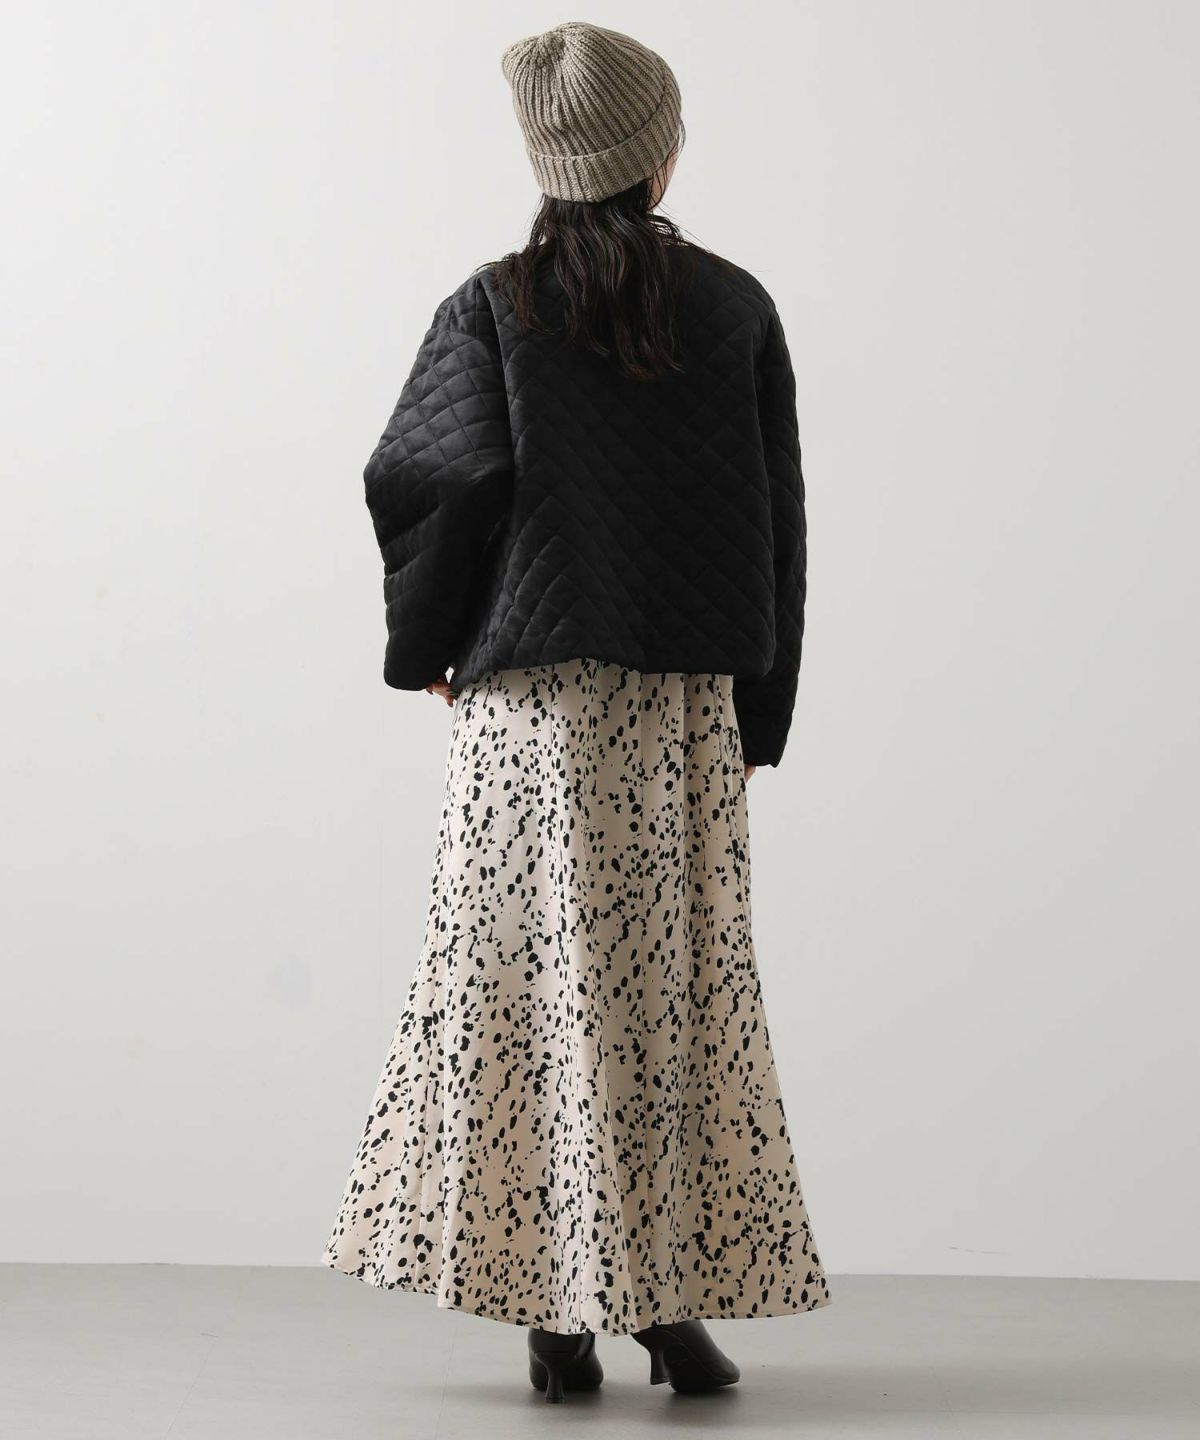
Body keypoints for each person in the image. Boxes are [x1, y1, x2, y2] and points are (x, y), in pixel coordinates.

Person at [322, 19, 830, 1403]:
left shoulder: (494, 305)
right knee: (673, 999)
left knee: (532, 998)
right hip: (679, 713)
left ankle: (559, 1317)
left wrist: (429, 646)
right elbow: (778, 522)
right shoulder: (732, 307)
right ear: (659, 157)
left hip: (532, 715)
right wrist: (761, 707)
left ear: (548, 164)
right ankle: (664, 1310)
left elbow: (430, 481)